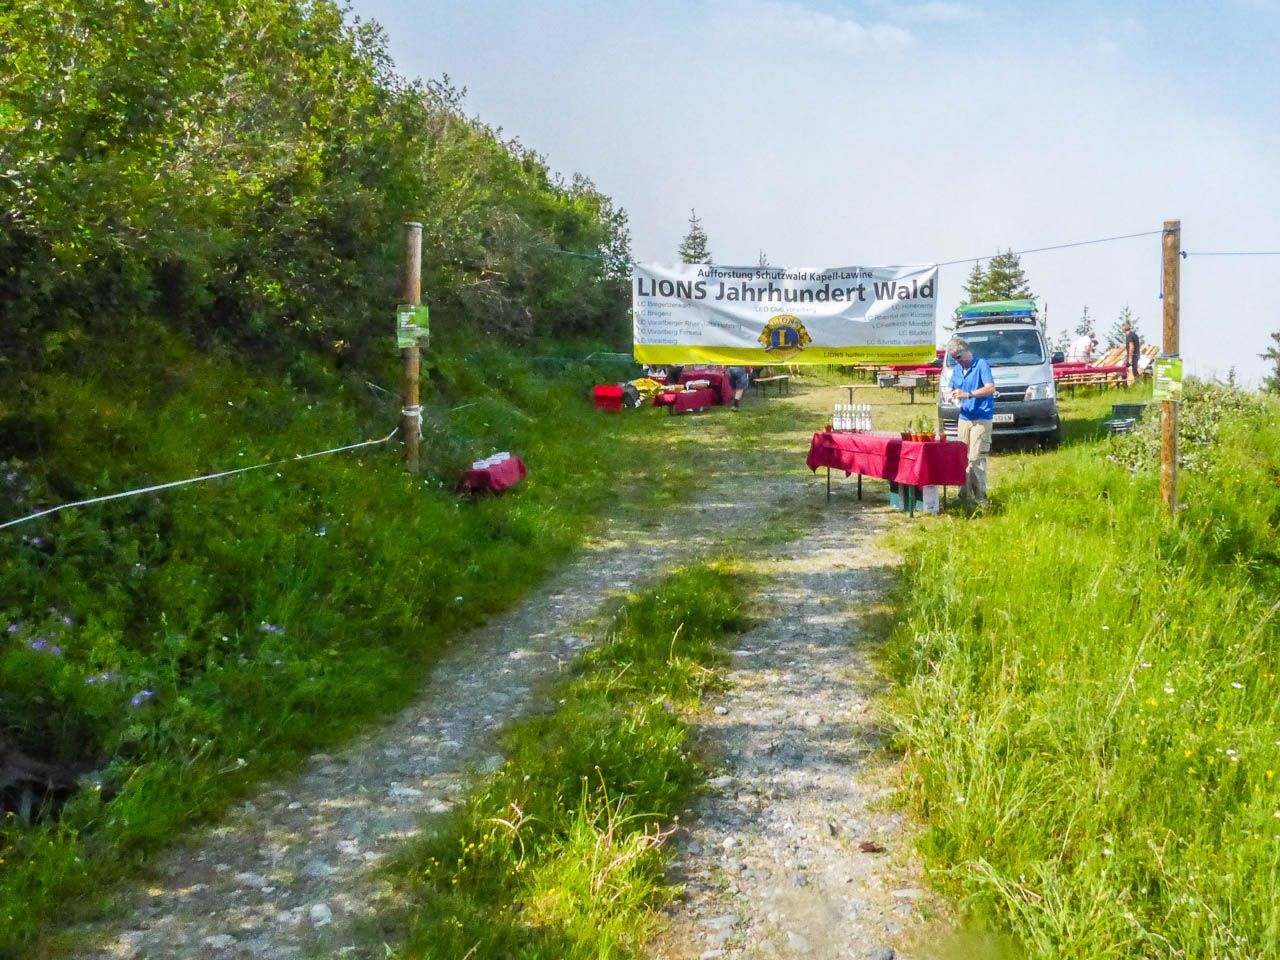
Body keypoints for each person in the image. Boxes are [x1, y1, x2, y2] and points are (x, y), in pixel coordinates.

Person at [944, 336, 998, 505]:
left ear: (967, 351)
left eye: (959, 357)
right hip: (964, 418)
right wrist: (949, 395)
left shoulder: (981, 365)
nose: (958, 361)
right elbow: (950, 388)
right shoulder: (957, 370)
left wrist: (969, 394)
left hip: (981, 418)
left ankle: (981, 499)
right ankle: (964, 497)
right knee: (962, 458)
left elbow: (990, 388)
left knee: (976, 458)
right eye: (954, 359)